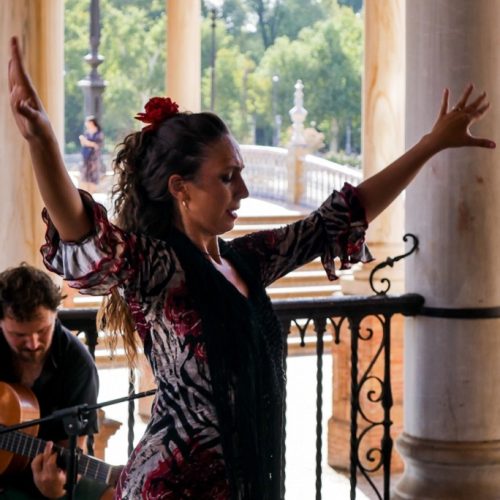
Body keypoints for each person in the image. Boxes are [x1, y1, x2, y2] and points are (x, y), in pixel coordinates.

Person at [7, 35, 495, 499]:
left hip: (246, 481)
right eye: (227, 177)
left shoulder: (245, 259)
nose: (241, 191)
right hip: (174, 487)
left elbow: (338, 217)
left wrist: (431, 144)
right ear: (181, 188)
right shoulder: (160, 268)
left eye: (240, 174)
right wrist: (42, 141)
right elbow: (83, 233)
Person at [0, 263, 111, 499]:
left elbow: (73, 452)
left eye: (42, 330)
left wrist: (58, 486)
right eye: (19, 335)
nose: (33, 343)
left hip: (44, 470)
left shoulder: (78, 365)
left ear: (55, 314)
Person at [78, 116, 104, 193]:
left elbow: (97, 145)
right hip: (86, 156)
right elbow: (84, 144)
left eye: (88, 122)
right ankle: (86, 192)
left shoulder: (99, 133)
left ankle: (91, 192)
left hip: (94, 157)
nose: (86, 124)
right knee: (85, 174)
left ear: (92, 123)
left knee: (93, 174)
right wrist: (84, 141)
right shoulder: (87, 132)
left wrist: (87, 142)